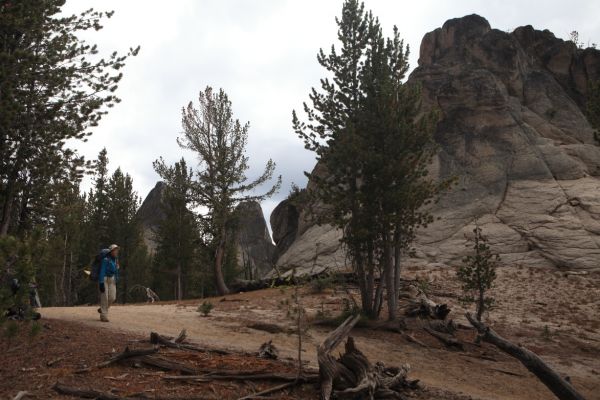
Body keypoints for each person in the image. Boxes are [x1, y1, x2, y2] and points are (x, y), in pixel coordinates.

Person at [98, 244, 119, 322]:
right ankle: (104, 316)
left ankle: (103, 308)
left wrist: (117, 278)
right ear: (111, 251)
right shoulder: (105, 259)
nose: (116, 251)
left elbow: (116, 270)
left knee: (112, 297)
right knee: (105, 298)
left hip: (112, 279)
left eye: (117, 250)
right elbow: (102, 271)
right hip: (104, 279)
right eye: (115, 250)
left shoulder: (115, 260)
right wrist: (101, 282)